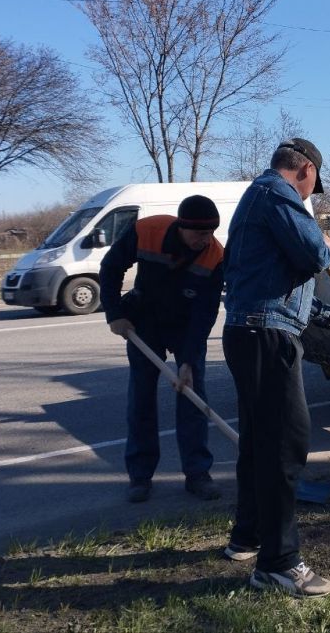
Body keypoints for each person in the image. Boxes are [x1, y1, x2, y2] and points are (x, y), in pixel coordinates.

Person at [222, 137, 330, 598]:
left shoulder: (259, 200)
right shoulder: (276, 194)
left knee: (259, 442)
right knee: (286, 445)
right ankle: (279, 563)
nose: (310, 194)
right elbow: (314, 256)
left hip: (255, 331)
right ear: (304, 169)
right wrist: (323, 238)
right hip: (265, 337)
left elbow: (282, 286)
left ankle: (248, 536)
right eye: (312, 186)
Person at [99, 195, 226, 503]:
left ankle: (197, 473)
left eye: (210, 232)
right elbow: (111, 268)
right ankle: (140, 476)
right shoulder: (147, 230)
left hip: (186, 326)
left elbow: (206, 312)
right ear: (181, 226)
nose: (205, 239)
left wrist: (189, 359)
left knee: (193, 397)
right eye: (199, 233)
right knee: (141, 398)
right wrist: (115, 314)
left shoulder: (215, 255)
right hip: (145, 322)